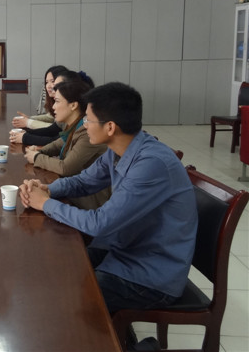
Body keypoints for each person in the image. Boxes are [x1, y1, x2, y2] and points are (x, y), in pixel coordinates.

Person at [19, 82, 198, 317]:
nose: (84, 124)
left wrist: (45, 203)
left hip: (150, 273)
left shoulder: (151, 164)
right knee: (58, 266)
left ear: (110, 127)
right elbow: (84, 181)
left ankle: (118, 336)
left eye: (89, 119)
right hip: (123, 249)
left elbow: (100, 223)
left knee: (69, 298)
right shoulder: (119, 149)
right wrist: (48, 190)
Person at [23, 80, 109, 210]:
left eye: (57, 101)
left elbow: (66, 168)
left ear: (73, 105)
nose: (53, 107)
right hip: (74, 190)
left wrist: (36, 157)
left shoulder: (88, 131)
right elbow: (59, 143)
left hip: (89, 201)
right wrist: (40, 151)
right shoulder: (75, 125)